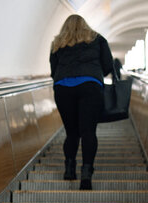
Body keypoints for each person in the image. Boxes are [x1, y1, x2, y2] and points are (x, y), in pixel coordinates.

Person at [50, 15, 114, 190]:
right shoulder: (98, 39)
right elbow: (108, 66)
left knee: (71, 132)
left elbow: (53, 70)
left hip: (63, 88)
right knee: (88, 131)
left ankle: (69, 170)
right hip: (90, 87)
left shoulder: (57, 43)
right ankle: (86, 174)